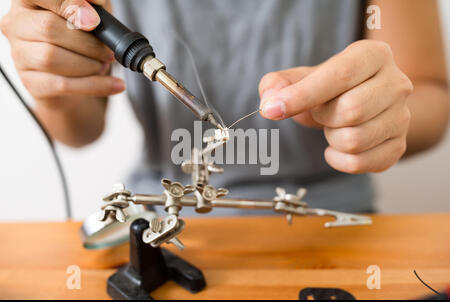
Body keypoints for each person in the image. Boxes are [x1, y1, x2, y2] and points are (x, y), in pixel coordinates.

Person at [1, 0, 448, 214]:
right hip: (165, 223)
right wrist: (52, 74)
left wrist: (379, 118)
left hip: (325, 220)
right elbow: (79, 131)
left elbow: (428, 94)